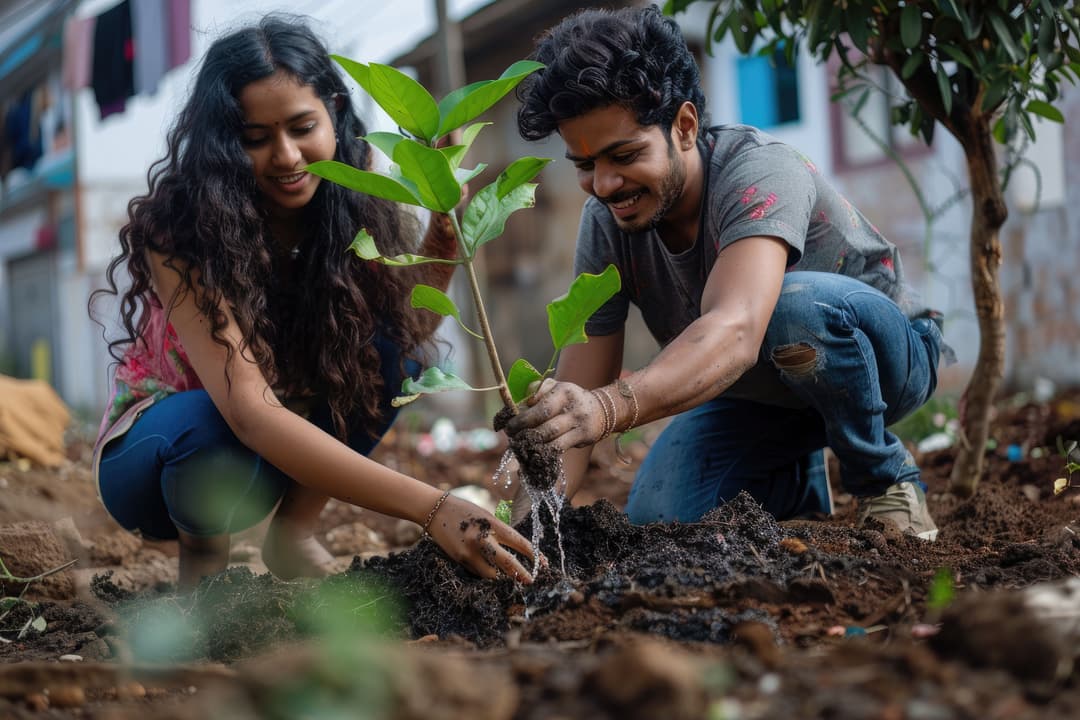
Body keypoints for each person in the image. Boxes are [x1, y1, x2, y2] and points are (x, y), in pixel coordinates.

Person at [90, 15, 534, 590]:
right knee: (209, 422)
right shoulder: (182, 231)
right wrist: (434, 506)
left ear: (335, 110)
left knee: (398, 357)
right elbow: (248, 413)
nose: (286, 156)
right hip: (157, 462)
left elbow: (407, 329)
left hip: (268, 459)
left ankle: (293, 533)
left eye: (302, 127)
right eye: (255, 138)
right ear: (224, 141)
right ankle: (202, 573)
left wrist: (445, 236)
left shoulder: (355, 199)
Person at [505, 4, 947, 540]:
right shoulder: (606, 224)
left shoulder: (760, 170)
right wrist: (532, 526)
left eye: (623, 155)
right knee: (661, 515)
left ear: (684, 126)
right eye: (584, 165)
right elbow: (582, 388)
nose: (603, 184)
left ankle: (885, 481)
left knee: (794, 309)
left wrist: (606, 408)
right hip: (759, 394)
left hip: (884, 358)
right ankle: (797, 490)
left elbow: (736, 330)